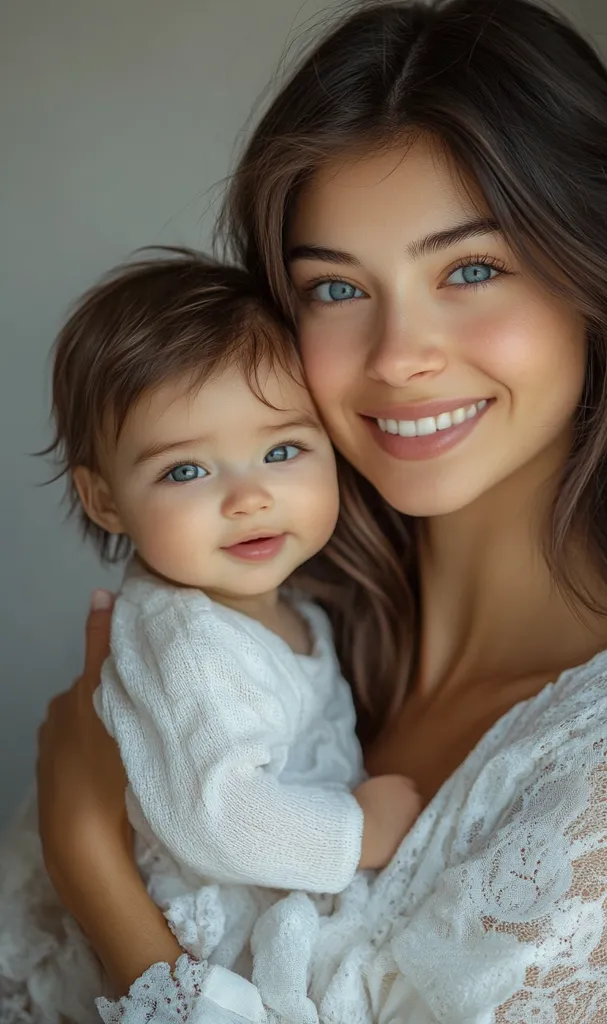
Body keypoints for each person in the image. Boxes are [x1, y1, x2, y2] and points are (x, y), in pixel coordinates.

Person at [34, 0, 607, 1020]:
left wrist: (89, 857)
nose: (400, 355)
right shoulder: (278, 622)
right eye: (335, 289)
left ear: (602, 283)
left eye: (472, 269)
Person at [0, 253, 419, 1022]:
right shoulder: (184, 638)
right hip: (161, 945)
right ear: (105, 501)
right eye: (187, 471)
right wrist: (358, 833)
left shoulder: (297, 611)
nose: (249, 496)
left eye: (283, 451)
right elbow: (219, 812)